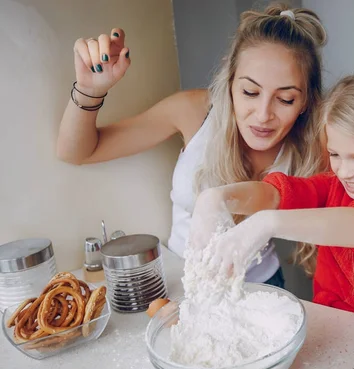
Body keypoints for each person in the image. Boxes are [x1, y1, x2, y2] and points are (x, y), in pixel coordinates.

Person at [56, 4, 328, 288]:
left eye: (285, 99)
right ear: (230, 79)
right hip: (183, 283)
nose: (262, 114)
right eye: (250, 92)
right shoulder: (194, 111)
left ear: (306, 100)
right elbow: (77, 152)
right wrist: (90, 89)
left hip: (263, 285)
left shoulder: (314, 144)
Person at [191, 69, 354, 326]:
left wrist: (267, 224)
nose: (345, 172)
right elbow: (275, 195)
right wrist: (217, 198)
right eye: (335, 154)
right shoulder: (336, 185)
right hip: (332, 326)